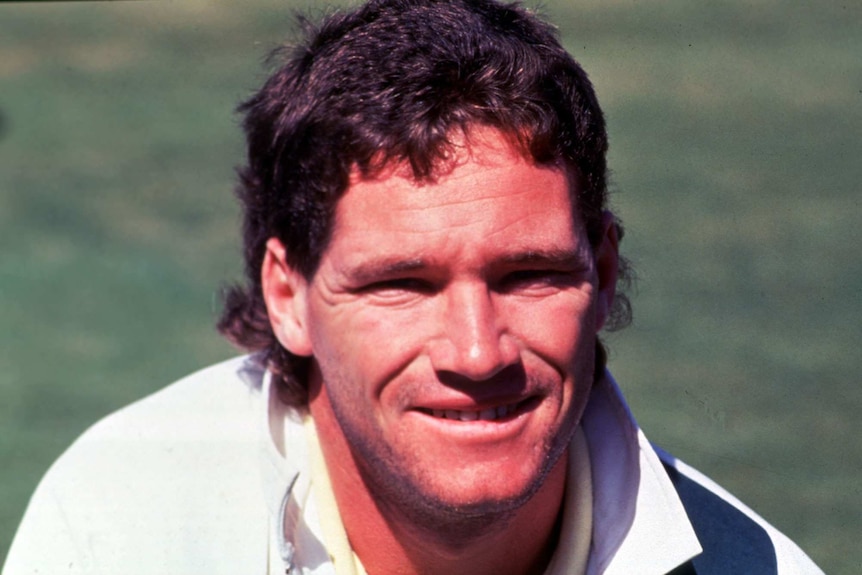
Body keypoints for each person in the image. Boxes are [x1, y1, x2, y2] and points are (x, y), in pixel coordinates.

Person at [3, 1, 824, 574]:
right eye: (403, 283)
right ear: (288, 296)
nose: (476, 350)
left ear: (602, 273)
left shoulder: (758, 568)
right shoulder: (121, 528)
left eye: (528, 274)